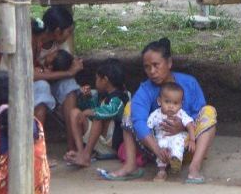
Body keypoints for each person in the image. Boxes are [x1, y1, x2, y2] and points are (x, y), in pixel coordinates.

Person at [101, 38, 217, 183]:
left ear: (169, 63)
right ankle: (130, 165)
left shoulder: (189, 82)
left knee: (209, 111)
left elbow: (199, 113)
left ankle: (194, 168)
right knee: (130, 108)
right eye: (147, 67)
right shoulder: (145, 89)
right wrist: (157, 150)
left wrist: (183, 126)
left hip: (187, 146)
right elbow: (138, 122)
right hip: (155, 149)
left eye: (156, 65)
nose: (152, 71)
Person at [31, 7, 83, 152]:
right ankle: (37, 153)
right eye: (68, 32)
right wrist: (68, 72)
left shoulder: (56, 44)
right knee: (42, 87)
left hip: (45, 81)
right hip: (22, 86)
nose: (69, 35)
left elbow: (66, 65)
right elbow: (30, 76)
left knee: (69, 86)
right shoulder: (32, 40)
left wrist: (70, 69)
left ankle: (72, 148)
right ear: (58, 31)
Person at [65, 58, 129, 167]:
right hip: (98, 141)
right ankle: (82, 153)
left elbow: (112, 110)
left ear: (105, 80)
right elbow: (86, 110)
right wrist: (86, 98)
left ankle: (86, 155)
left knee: (98, 117)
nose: (95, 82)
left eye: (97, 79)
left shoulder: (120, 97)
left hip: (112, 146)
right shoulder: (102, 95)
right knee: (74, 113)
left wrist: (92, 112)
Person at [147, 82, 196, 181]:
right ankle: (161, 171)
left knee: (178, 145)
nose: (171, 106)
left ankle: (176, 162)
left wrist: (192, 139)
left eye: (175, 103)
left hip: (178, 137)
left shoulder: (181, 114)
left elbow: (190, 125)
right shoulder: (155, 114)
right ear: (159, 101)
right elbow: (148, 127)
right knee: (161, 146)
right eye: (167, 102)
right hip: (162, 137)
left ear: (181, 104)